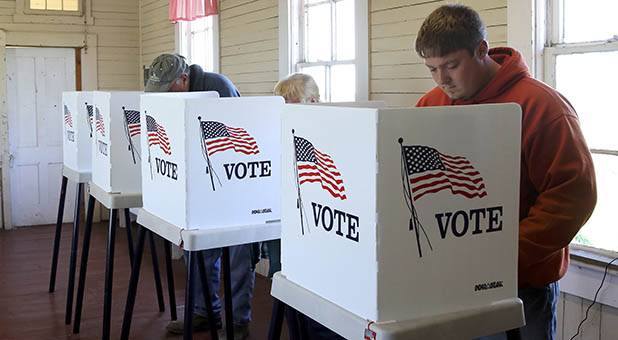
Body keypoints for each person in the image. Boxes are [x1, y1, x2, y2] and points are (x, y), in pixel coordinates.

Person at [414, 5, 597, 340]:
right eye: (432, 69)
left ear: (482, 50)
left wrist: (505, 255)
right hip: (450, 279)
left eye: (452, 66)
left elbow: (572, 196)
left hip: (522, 282)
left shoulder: (543, 106)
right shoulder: (430, 105)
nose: (443, 80)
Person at [145, 53, 253, 340]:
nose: (164, 95)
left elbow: (234, 137)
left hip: (236, 182)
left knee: (237, 256)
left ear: (184, 79)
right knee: (198, 252)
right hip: (201, 184)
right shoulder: (179, 95)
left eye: (168, 88)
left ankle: (238, 321)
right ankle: (205, 312)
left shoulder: (218, 87)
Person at [271, 73, 344, 340]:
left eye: (290, 104)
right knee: (289, 291)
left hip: (321, 229)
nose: (284, 112)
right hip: (289, 224)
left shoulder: (334, 130)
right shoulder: (285, 130)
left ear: (313, 100)